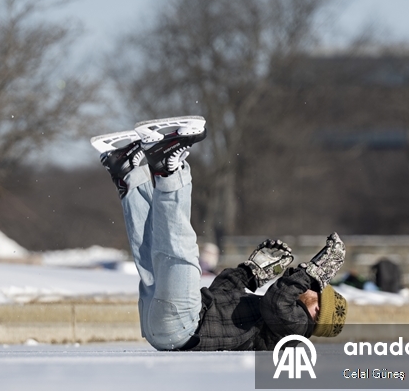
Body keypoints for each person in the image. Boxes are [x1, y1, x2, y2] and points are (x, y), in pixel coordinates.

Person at [93, 115, 348, 351]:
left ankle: (168, 167)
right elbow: (220, 290)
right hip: (169, 327)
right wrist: (250, 273)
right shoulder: (275, 319)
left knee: (180, 253)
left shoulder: (296, 330)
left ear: (317, 313)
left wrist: (312, 273)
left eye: (317, 294)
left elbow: (278, 300)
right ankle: (128, 171)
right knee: (152, 256)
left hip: (186, 327)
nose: (313, 289)